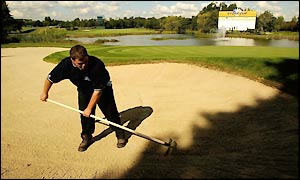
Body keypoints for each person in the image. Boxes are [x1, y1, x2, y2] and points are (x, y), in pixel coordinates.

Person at [40, 45, 127, 152]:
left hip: (103, 89)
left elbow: (98, 91)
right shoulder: (65, 65)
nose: (84, 65)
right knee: (84, 115)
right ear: (72, 60)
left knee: (110, 112)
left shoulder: (96, 65)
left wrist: (89, 108)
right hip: (84, 89)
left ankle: (120, 134)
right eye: (80, 63)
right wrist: (45, 92)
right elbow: (50, 78)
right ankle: (86, 136)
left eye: (86, 61)